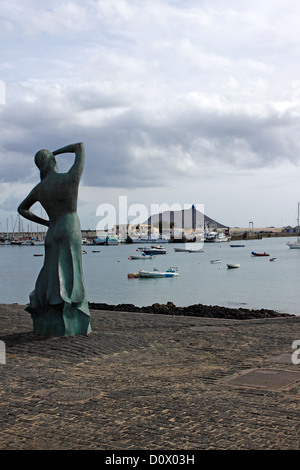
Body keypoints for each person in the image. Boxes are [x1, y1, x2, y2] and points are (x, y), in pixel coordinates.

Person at [18, 143, 91, 337]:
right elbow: (80, 148)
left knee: (51, 273)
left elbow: (22, 209)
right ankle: (71, 318)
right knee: (71, 272)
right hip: (69, 227)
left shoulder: (40, 188)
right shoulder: (69, 179)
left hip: (53, 230)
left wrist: (45, 222)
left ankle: (49, 316)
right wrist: (55, 153)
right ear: (53, 162)